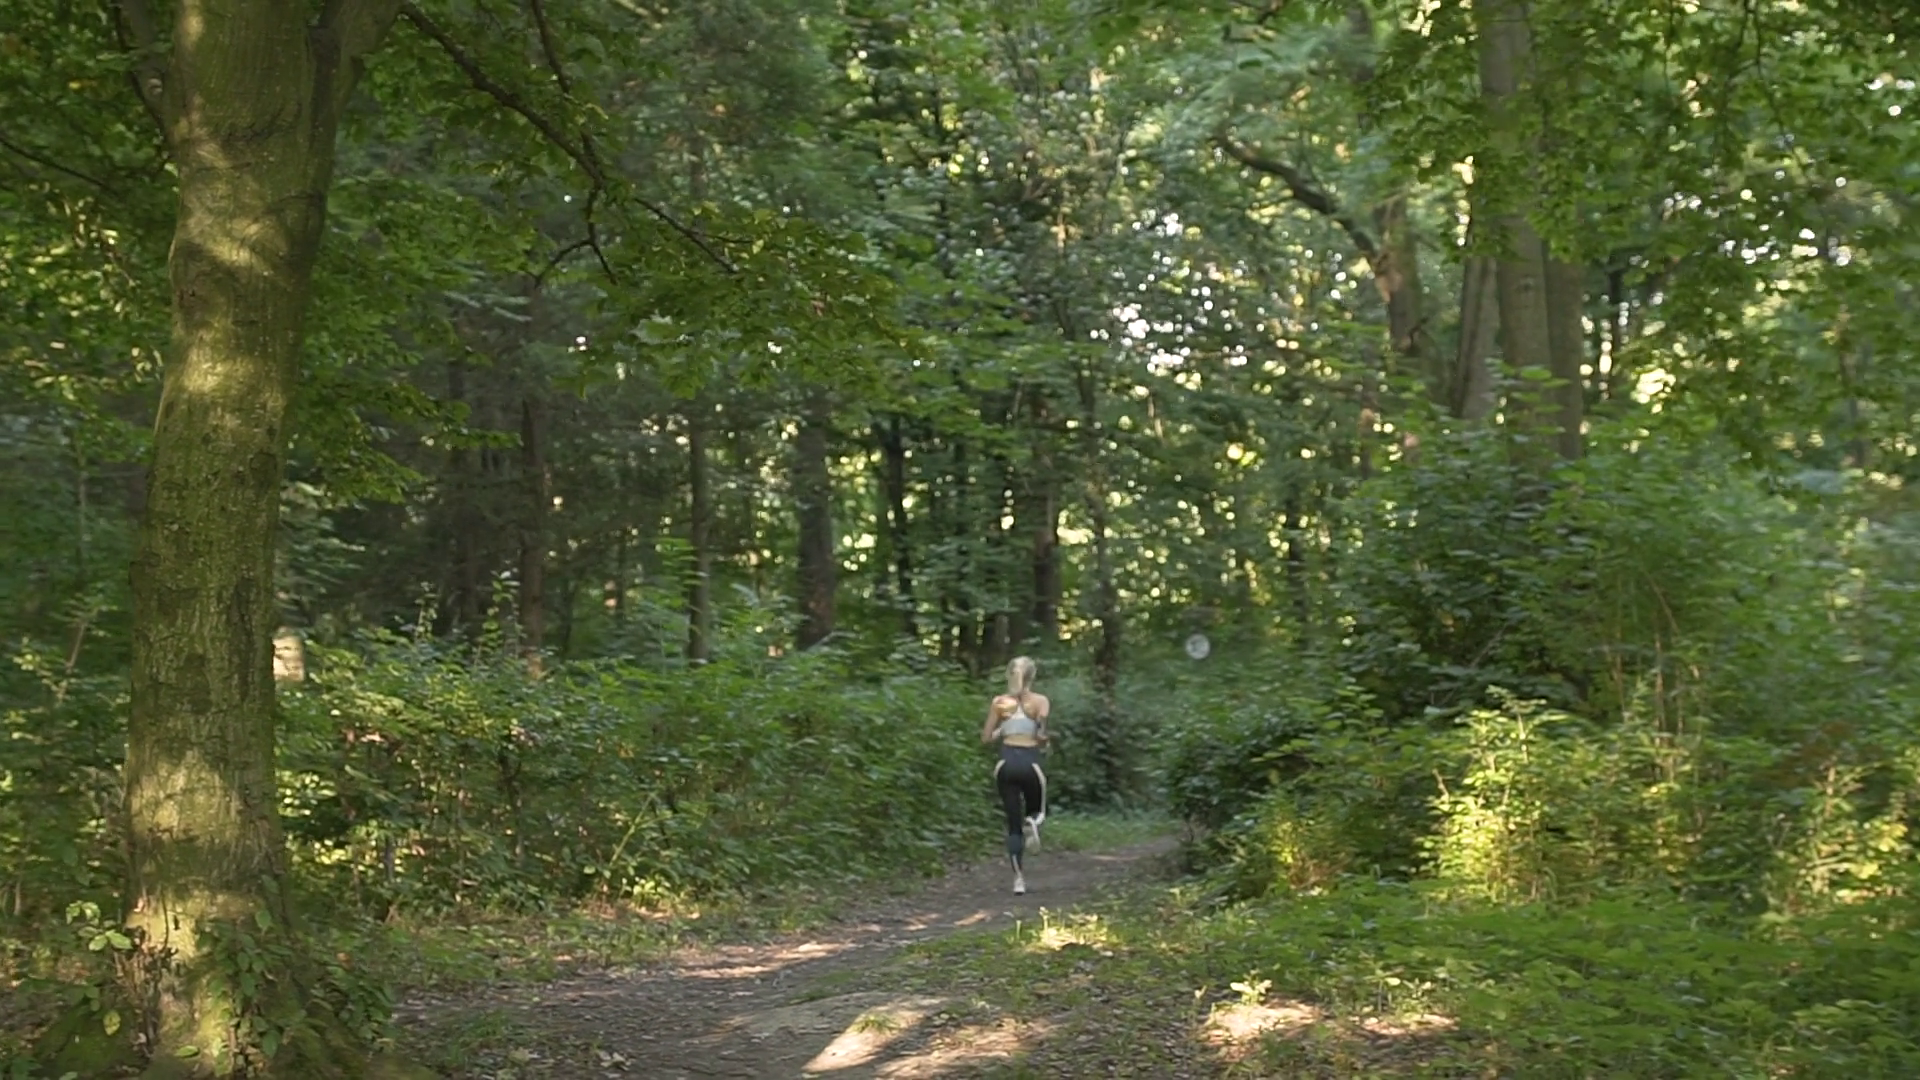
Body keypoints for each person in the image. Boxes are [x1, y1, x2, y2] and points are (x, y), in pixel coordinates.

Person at [980, 655, 1049, 895]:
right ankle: (1033, 822)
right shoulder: (1040, 702)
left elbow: (986, 738)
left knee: (1012, 825)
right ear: (1032, 676)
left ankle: (1018, 880)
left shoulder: (999, 702)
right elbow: (1041, 736)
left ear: (1009, 675)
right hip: (1030, 764)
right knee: (1038, 811)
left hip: (1005, 765)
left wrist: (1003, 729)